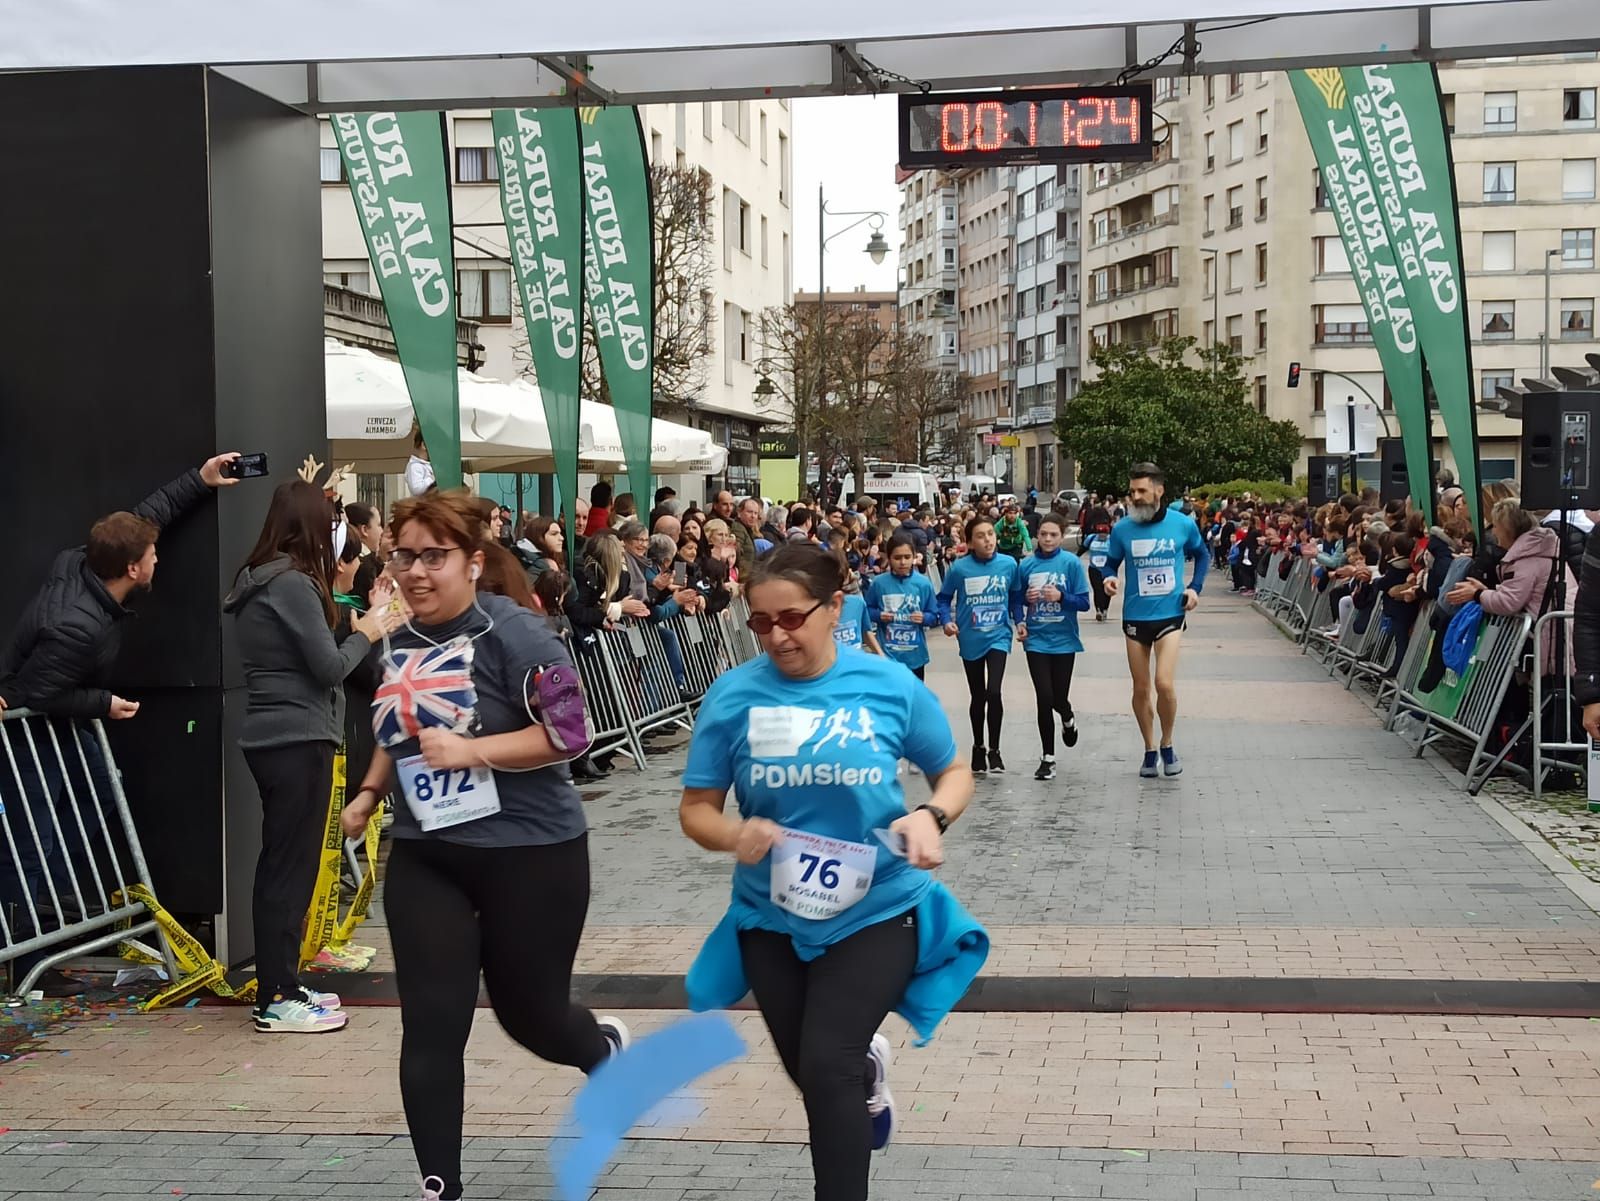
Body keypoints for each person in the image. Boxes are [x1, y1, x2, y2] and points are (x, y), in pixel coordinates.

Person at [339, 490, 630, 1201]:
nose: (415, 571)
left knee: (530, 1017)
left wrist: (474, 752)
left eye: (433, 556)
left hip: (532, 854)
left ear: (472, 562)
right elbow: (399, 725)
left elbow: (569, 735)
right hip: (428, 854)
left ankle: (600, 1051)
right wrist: (372, 791)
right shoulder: (399, 635)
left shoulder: (519, 635)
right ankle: (440, 1184)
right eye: (403, 555)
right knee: (432, 1023)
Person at [678, 543, 984, 1201]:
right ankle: (866, 1071)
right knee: (812, 1071)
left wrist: (932, 815)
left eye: (791, 618)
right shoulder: (733, 697)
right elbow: (696, 809)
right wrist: (735, 832)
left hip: (876, 905)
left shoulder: (889, 684)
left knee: (828, 1063)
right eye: (760, 623)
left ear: (834, 608)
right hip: (772, 912)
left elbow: (954, 772)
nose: (777, 636)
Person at [0, 453, 243, 995]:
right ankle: (26, 956)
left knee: (99, 794)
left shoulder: (82, 562)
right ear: (132, 569)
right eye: (152, 555)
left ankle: (57, 913)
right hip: (34, 731)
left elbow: (144, 515)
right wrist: (103, 704)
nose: (159, 559)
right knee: (32, 840)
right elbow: (36, 693)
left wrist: (199, 481)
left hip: (54, 725)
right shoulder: (76, 628)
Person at [224, 479, 404, 1033]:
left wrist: (363, 624)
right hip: (296, 737)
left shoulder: (264, 581)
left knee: (286, 864)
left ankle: (283, 983)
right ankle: (276, 996)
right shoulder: (291, 584)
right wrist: (370, 631)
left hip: (281, 736)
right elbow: (329, 667)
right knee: (288, 867)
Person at [1099, 463, 1208, 779]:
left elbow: (1202, 555)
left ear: (1159, 490)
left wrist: (1195, 588)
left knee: (1164, 682)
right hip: (1135, 617)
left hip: (1171, 614)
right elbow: (1109, 564)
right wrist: (1108, 579)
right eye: (1132, 492)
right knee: (1141, 686)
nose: (1135, 497)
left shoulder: (1182, 524)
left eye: (1141, 491)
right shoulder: (1123, 530)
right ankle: (1149, 748)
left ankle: (1168, 742)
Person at [937, 515, 1023, 774]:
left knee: (994, 692)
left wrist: (1020, 621)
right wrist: (947, 621)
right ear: (970, 543)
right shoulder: (960, 569)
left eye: (990, 534)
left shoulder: (1009, 564)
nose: (987, 540)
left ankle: (995, 750)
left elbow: (1015, 597)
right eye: (980, 536)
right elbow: (943, 599)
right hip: (970, 637)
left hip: (998, 636)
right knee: (978, 695)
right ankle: (978, 746)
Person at [1015, 514, 1090, 781]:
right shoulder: (1026, 565)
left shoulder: (1070, 563)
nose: (1047, 539)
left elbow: (1084, 603)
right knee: (1044, 698)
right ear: (1037, 535)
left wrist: (1061, 597)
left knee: (1059, 697)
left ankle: (1068, 717)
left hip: (1064, 640)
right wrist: (1020, 617)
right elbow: (1015, 598)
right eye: (1043, 534)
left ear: (1062, 536)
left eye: (1053, 535)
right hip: (1036, 640)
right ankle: (1048, 758)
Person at [867, 535, 941, 679]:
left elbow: (934, 615)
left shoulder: (923, 584)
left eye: (907, 557)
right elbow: (867, 610)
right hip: (888, 654)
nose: (902, 562)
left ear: (914, 557)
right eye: (897, 558)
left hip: (915, 655)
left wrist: (924, 617)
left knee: (913, 699)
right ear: (888, 558)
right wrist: (879, 615)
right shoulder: (879, 583)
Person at [1080, 523, 1113, 622]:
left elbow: (1118, 552)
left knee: (1106, 590)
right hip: (1094, 568)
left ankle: (1105, 609)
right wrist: (1075, 558)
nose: (1102, 536)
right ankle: (1099, 610)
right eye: (1100, 534)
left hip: (1108, 568)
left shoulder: (1112, 540)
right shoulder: (1091, 538)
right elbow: (1083, 548)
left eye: (1104, 534)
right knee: (1097, 589)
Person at [405, 425, 436, 497]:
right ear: (424, 445)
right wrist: (433, 477)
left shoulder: (429, 465)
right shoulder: (414, 466)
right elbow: (417, 489)